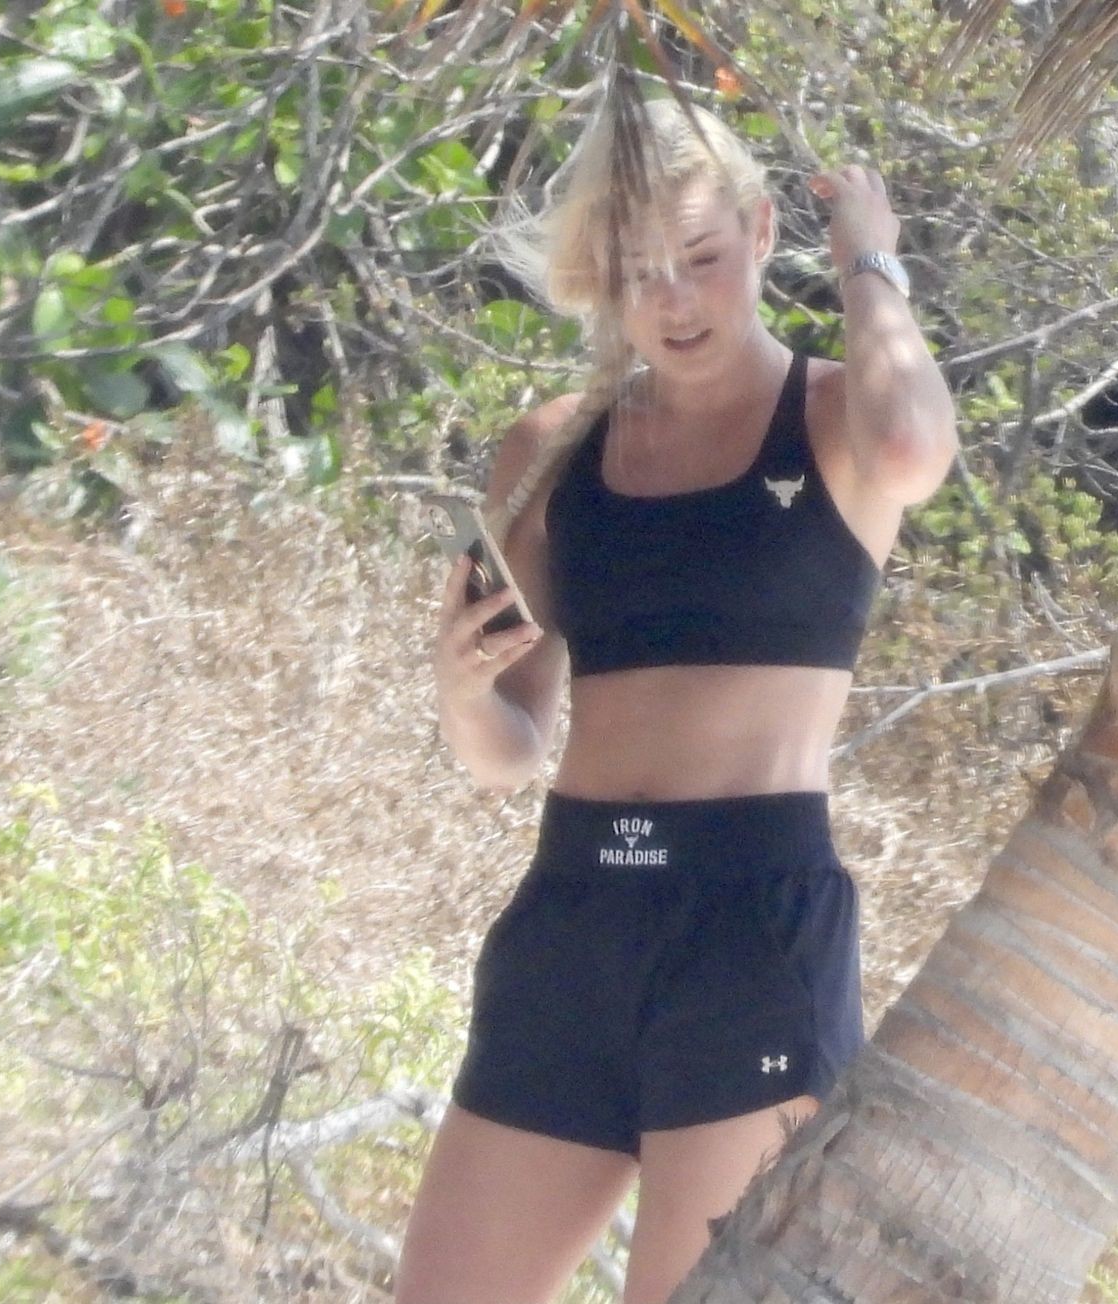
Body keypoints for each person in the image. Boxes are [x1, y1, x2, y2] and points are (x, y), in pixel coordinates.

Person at [398, 94, 957, 1304]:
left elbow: (916, 450)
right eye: (635, 272)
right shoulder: (548, 449)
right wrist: (459, 692)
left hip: (751, 926)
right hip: (575, 909)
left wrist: (869, 258)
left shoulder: (838, 419)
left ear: (761, 232)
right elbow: (510, 746)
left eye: (701, 258)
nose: (674, 300)